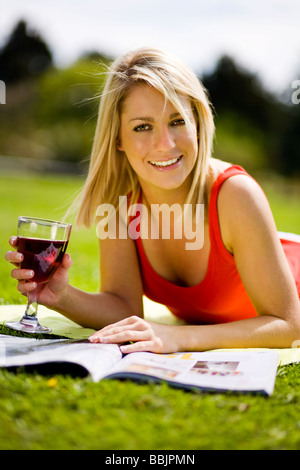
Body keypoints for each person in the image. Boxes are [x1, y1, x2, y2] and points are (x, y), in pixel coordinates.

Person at [5, 47, 300, 354]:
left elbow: (288, 326)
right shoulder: (120, 206)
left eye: (177, 121)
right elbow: (123, 308)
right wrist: (62, 296)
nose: (165, 144)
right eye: (143, 127)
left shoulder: (235, 195)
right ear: (118, 138)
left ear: (197, 123)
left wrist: (179, 338)